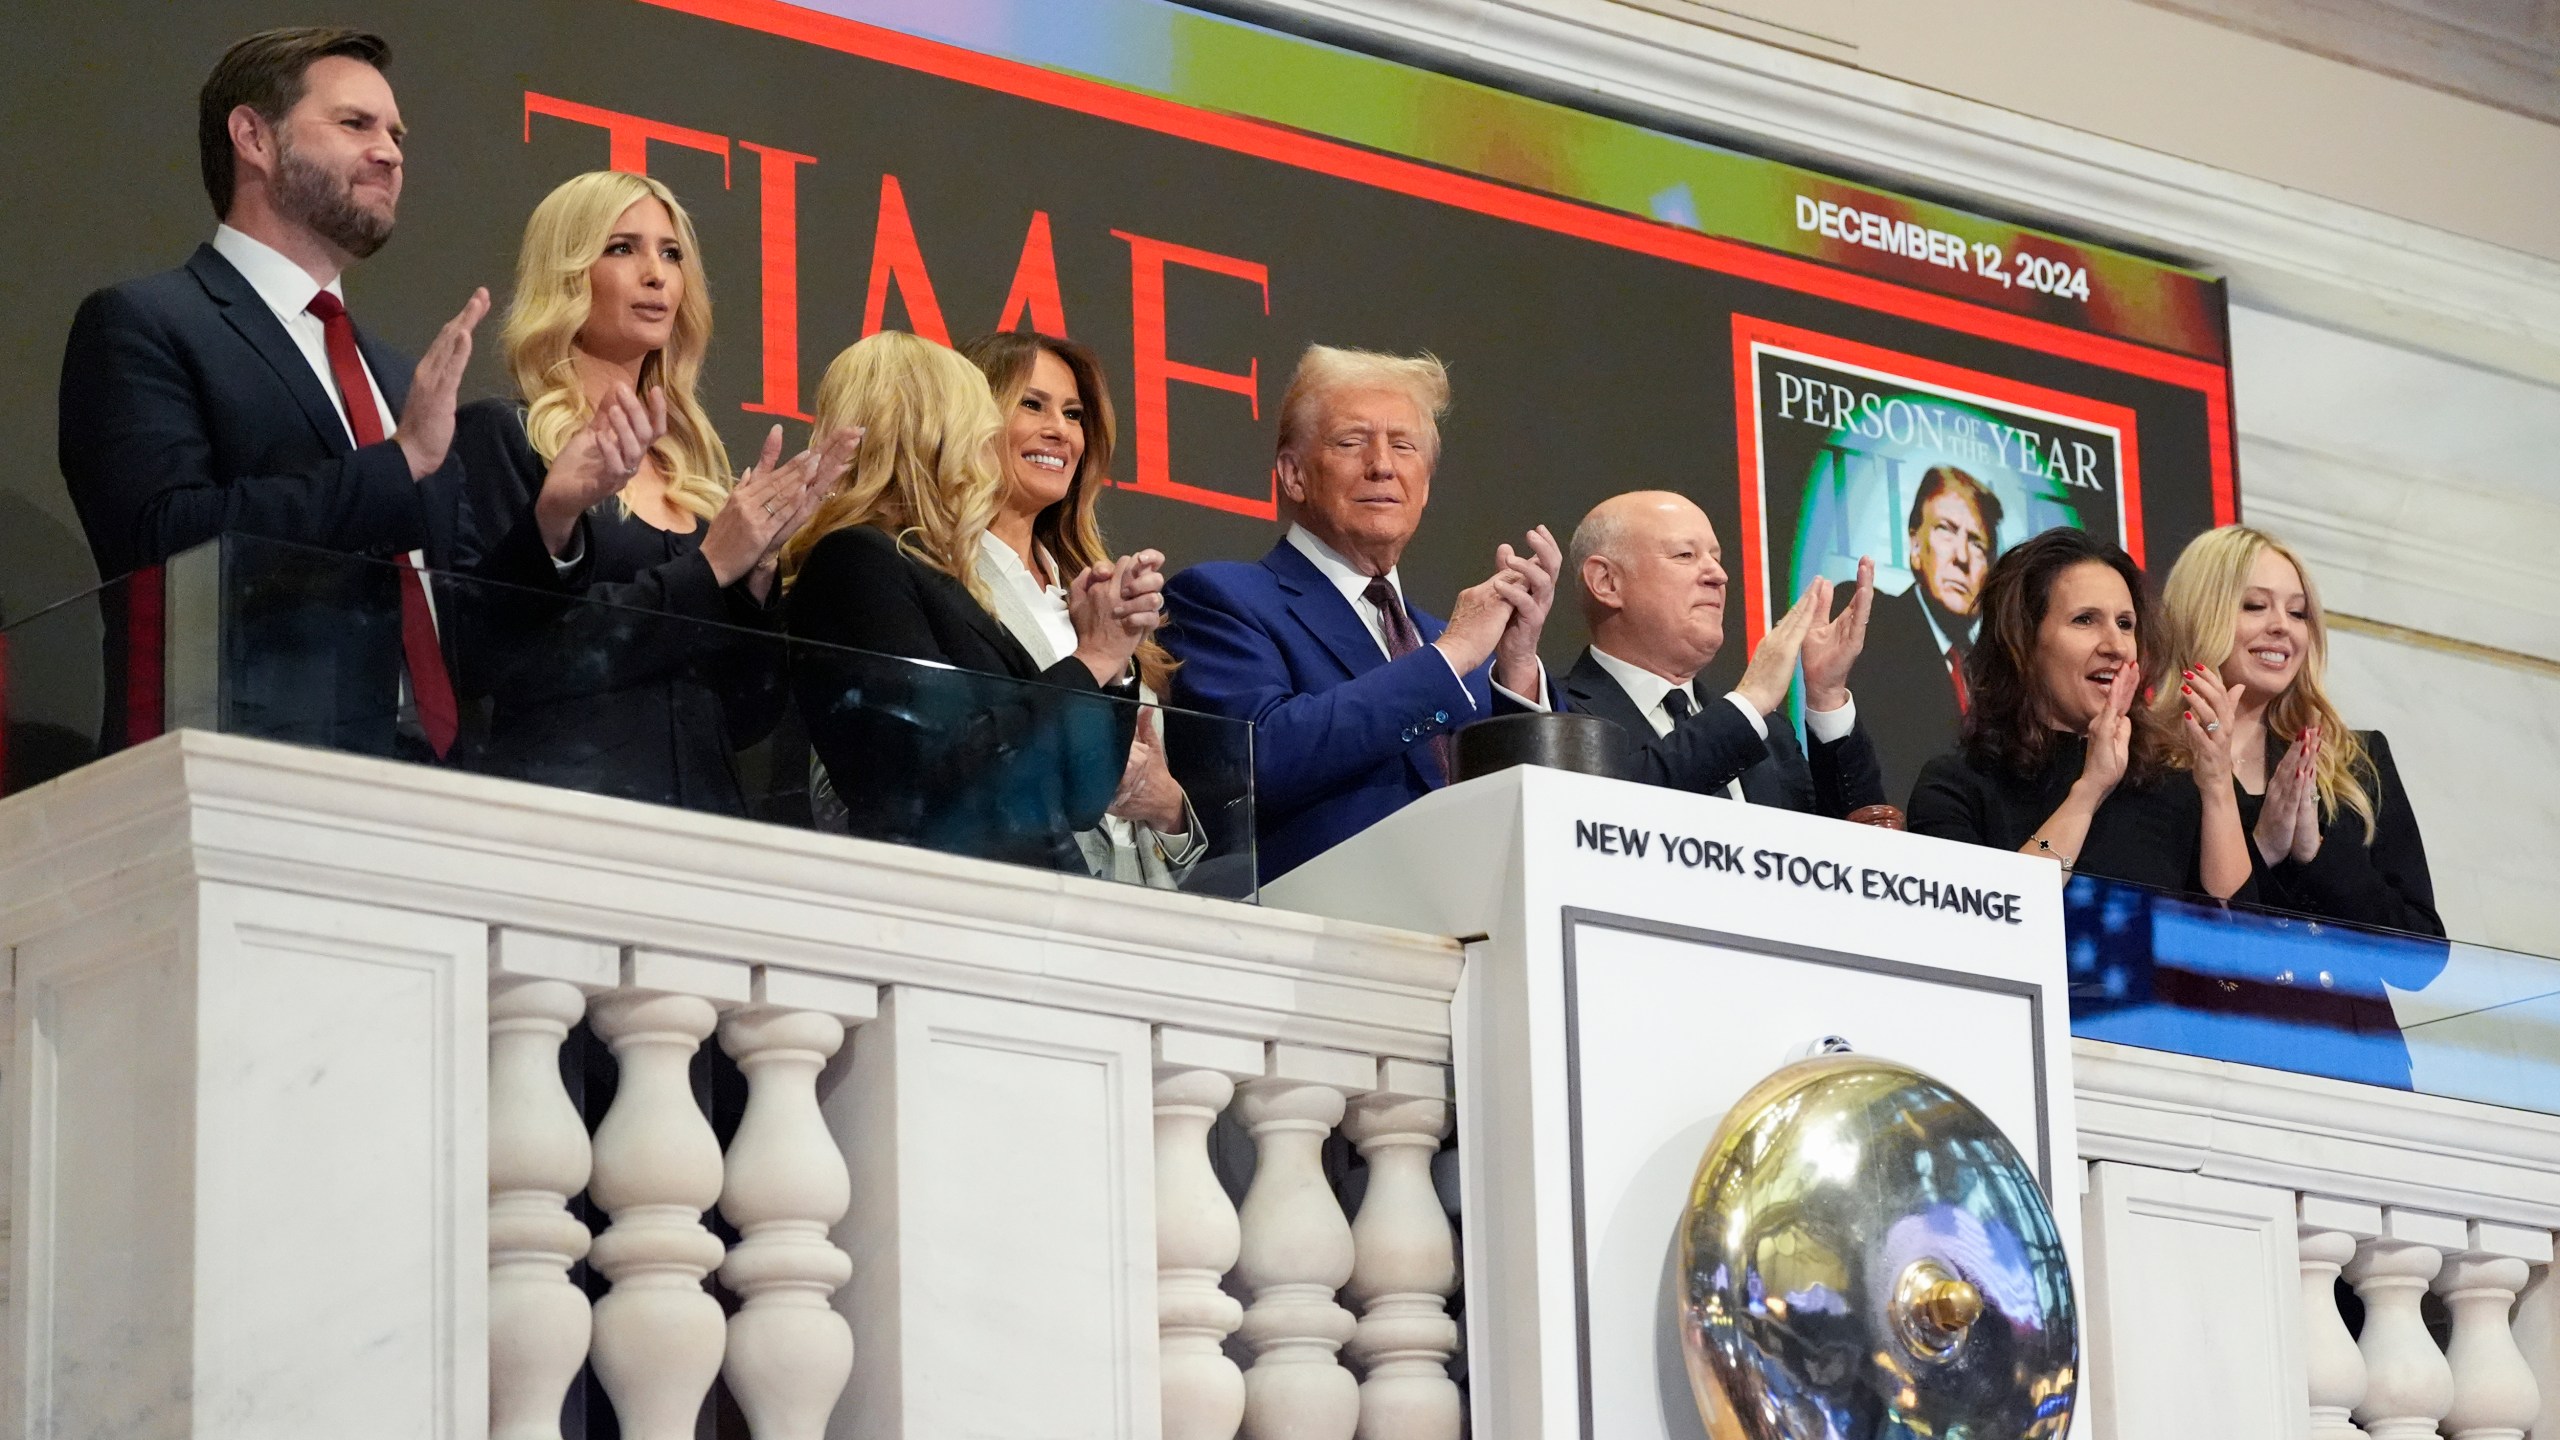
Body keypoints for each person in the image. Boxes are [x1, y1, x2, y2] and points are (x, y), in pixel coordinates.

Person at [57, 27, 487, 756]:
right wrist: (397, 463)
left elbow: (466, 593)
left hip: (434, 785)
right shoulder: (145, 324)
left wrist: (558, 523)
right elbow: (165, 543)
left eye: (395, 132)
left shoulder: (392, 373)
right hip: (243, 766)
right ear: (253, 137)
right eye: (356, 124)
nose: (391, 152)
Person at [449, 170, 842, 815]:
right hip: (566, 818)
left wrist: (757, 575)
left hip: (704, 834)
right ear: (568, 272)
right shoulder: (504, 438)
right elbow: (518, 661)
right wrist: (710, 566)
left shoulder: (698, 483)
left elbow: (744, 718)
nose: (656, 274)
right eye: (622, 248)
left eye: (671, 254)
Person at [1160, 345, 1561, 883]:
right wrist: (1452, 657)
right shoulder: (1222, 598)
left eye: (1404, 446)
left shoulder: (1448, 642)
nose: (1382, 466)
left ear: (1425, 486)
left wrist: (1515, 667)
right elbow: (1259, 761)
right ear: (1294, 474)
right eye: (1352, 442)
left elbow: (1537, 821)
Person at [782, 330, 1163, 872]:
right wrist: (1091, 659)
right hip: (948, 906)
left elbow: (1081, 800)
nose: (989, 444)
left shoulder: (942, 581)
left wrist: (1112, 658)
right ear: (928, 432)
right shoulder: (856, 562)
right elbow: (930, 771)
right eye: (982, 423)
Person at [956, 330, 1204, 887]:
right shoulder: (943, 586)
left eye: (1072, 414)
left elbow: (1146, 826)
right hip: (1009, 904)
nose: (1060, 431)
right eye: (1031, 404)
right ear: (970, 418)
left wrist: (1169, 811)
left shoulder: (1098, 594)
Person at [1908, 527, 2254, 902]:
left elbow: (2241, 938)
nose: (2116, 646)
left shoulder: (2174, 789)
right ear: (2023, 642)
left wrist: (2218, 785)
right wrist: (2089, 791)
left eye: (2125, 624)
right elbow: (1988, 922)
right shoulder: (1957, 787)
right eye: (2085, 620)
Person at [2157, 525, 2441, 935]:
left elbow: (2422, 953)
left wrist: (2316, 854)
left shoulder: (2354, 759)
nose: (2282, 627)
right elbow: (2157, 933)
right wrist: (2264, 848)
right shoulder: (2144, 758)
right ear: (2199, 615)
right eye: (2255, 606)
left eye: (2297, 612)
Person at [1559, 491, 1888, 817]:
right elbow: (1606, 811)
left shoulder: (1771, 737)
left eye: (1716, 557)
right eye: (1685, 555)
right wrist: (1753, 698)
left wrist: (1827, 696)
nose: (1718, 575)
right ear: (1607, 582)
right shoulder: (1557, 714)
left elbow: (1864, 853)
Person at [1864, 466, 2004, 802]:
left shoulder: (1994, 676)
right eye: (1946, 530)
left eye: (1977, 543)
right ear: (1915, 545)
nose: (1961, 557)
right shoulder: (1875, 623)